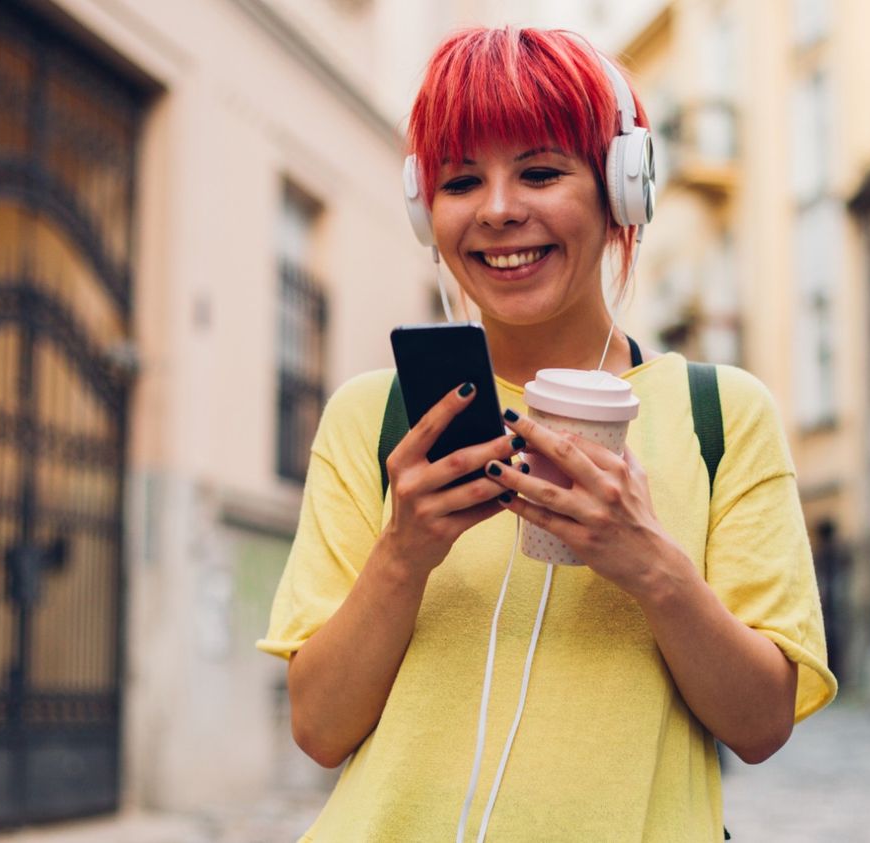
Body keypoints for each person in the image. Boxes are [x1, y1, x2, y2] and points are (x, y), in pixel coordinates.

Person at [258, 26, 836, 841]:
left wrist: (650, 563)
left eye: (539, 172)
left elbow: (761, 724)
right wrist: (403, 553)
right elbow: (319, 730)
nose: (498, 210)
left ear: (621, 190)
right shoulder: (373, 418)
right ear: (426, 210)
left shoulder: (722, 416)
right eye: (462, 180)